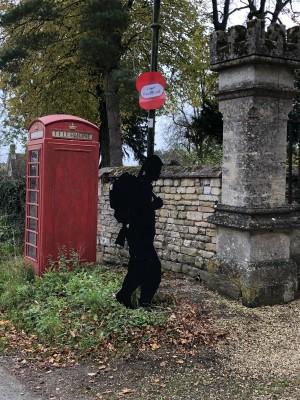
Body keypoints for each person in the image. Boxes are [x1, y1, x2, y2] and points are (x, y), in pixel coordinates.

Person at [116, 155, 164, 309]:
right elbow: (139, 213)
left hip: (139, 236)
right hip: (139, 236)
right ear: (153, 170)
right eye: (158, 170)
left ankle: (127, 297)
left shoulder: (143, 185)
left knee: (138, 268)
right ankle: (139, 300)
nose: (160, 174)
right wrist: (154, 206)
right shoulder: (142, 187)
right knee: (153, 269)